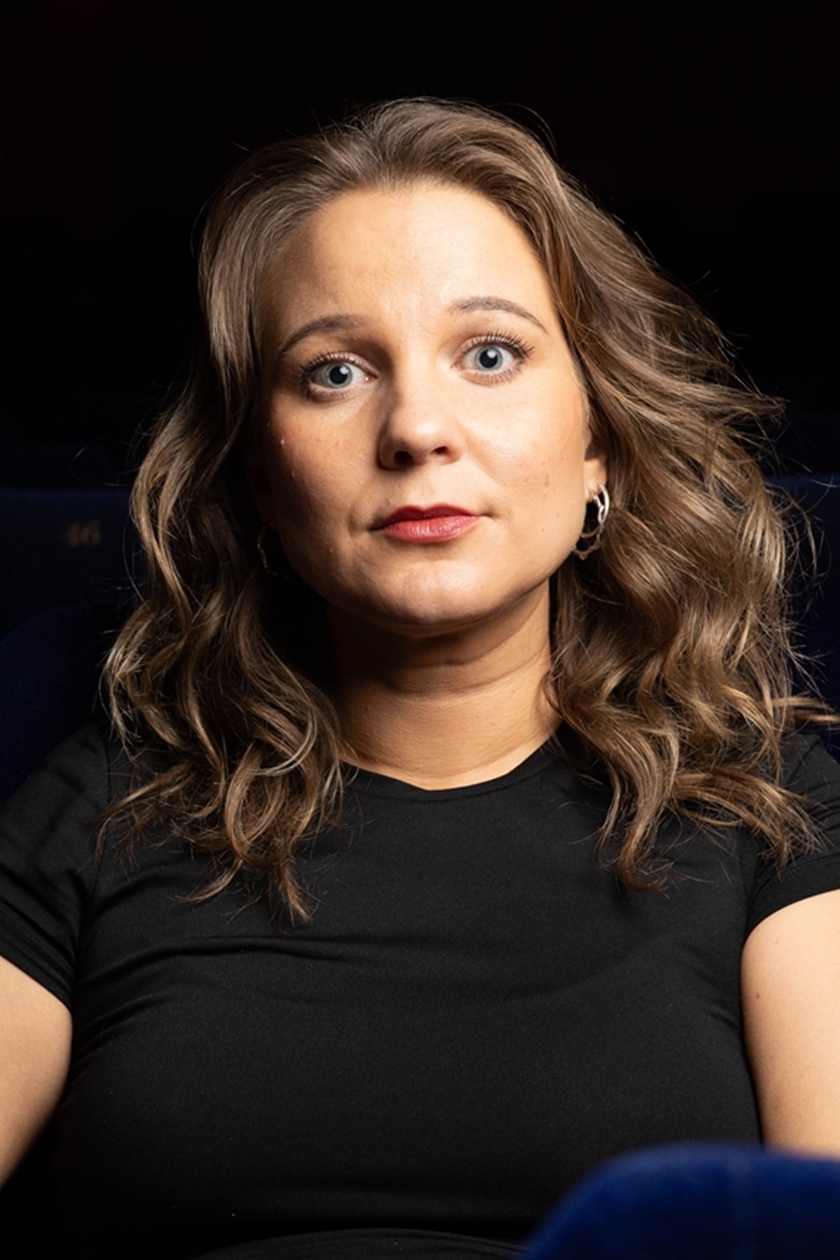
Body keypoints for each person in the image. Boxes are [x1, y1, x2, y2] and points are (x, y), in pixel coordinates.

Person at [1, 98, 840, 1260]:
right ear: (260, 479)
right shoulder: (100, 806)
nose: (417, 428)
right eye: (335, 371)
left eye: (489, 355)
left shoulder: (774, 814)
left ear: (597, 439)